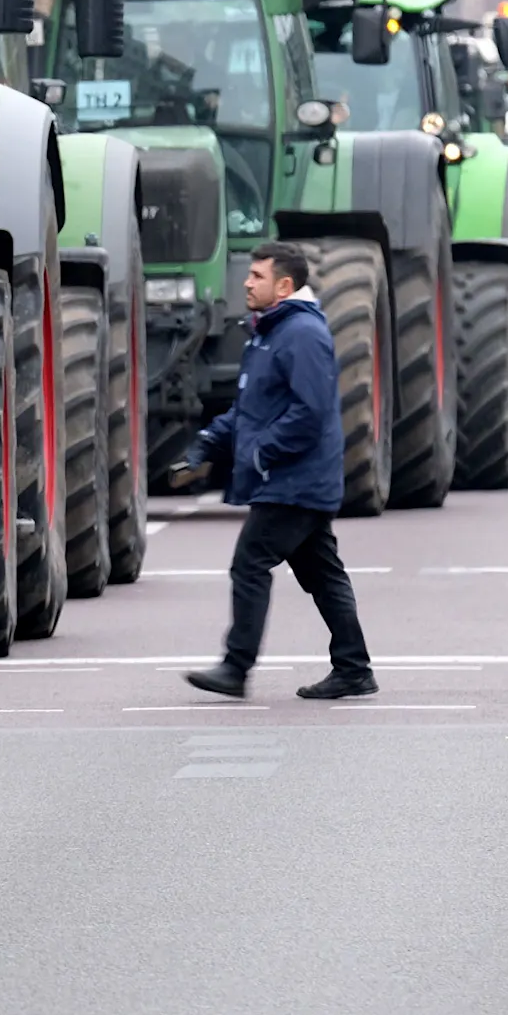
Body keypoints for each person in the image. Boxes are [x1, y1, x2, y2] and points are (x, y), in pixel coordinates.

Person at [174, 240, 377, 700]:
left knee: (250, 563)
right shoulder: (270, 332)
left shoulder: (301, 334)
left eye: (257, 276)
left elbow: (310, 412)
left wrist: (261, 453)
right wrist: (206, 444)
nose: (247, 283)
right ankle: (354, 668)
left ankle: (236, 668)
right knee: (323, 575)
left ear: (284, 286)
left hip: (294, 481)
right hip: (291, 479)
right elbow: (251, 409)